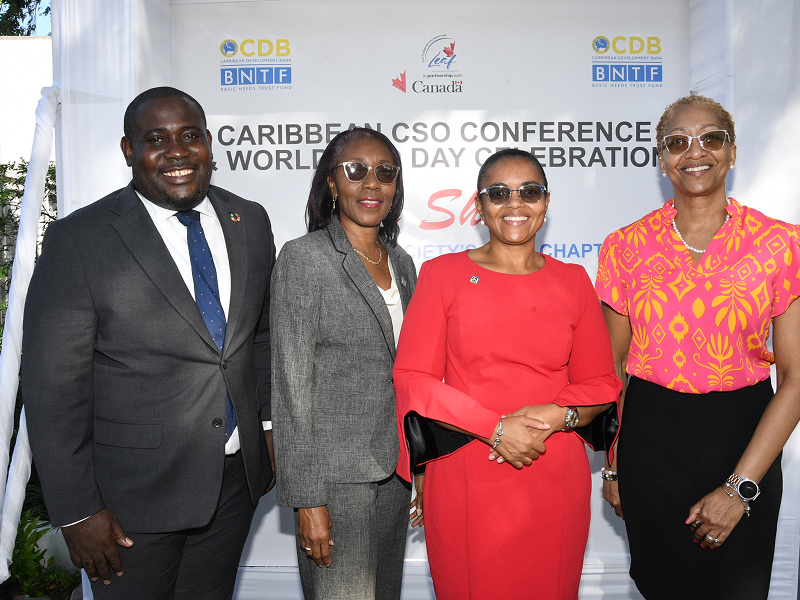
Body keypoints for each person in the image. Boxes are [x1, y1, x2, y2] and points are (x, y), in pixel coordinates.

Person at [22, 86, 276, 600]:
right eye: (156, 139)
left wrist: (268, 427)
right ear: (128, 150)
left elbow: (262, 338)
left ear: (208, 143)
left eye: (190, 136)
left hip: (234, 485)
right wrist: (76, 510)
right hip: (130, 500)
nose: (177, 152)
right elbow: (52, 389)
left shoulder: (249, 220)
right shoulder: (80, 239)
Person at [596, 94, 800, 600]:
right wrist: (615, 464)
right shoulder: (624, 246)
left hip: (745, 439)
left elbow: (796, 380)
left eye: (711, 138)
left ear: (732, 151)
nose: (695, 152)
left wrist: (740, 488)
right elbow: (613, 368)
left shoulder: (780, 244)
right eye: (677, 143)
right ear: (661, 159)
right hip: (650, 445)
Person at [393, 148, 621, 600]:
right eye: (499, 193)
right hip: (467, 467)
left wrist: (557, 416)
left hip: (553, 466)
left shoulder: (574, 280)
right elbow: (414, 377)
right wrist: (494, 428)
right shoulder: (442, 275)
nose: (515, 204)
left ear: (546, 202)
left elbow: (601, 383)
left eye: (529, 192)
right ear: (479, 206)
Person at [271, 127, 417, 600]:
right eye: (356, 170)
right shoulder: (305, 258)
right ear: (332, 183)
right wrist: (307, 499)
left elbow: (411, 375)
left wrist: (421, 467)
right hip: (333, 481)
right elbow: (290, 386)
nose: (372, 183)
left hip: (395, 474)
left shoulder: (402, 263)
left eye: (385, 172)